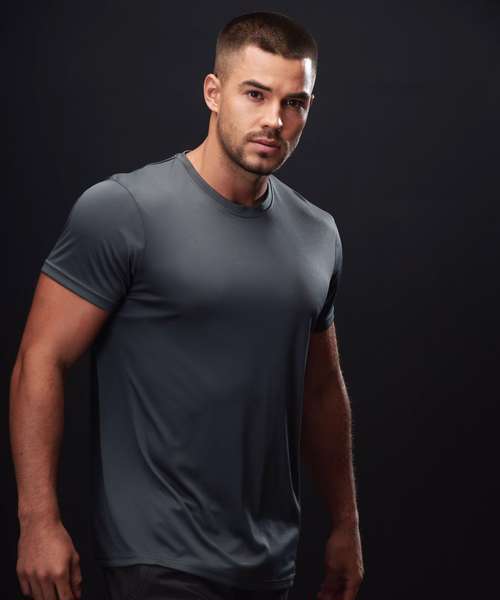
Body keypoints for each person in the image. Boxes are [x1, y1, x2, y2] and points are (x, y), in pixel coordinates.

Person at [10, 10, 364, 600]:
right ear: (213, 93)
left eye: (294, 103)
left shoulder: (317, 234)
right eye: (255, 94)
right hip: (156, 558)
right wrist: (38, 521)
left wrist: (346, 524)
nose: (274, 120)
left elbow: (323, 390)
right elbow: (39, 360)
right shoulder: (123, 210)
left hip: (269, 561)